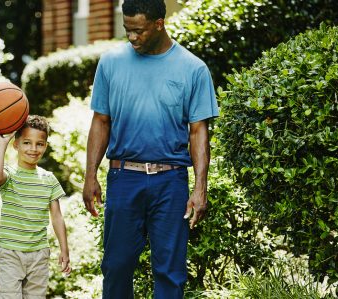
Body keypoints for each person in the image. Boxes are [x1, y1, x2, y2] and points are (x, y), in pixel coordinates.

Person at [81, 0, 220, 298]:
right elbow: (101, 122)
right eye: (127, 30)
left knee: (170, 272)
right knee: (116, 265)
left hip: (170, 182)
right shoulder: (110, 63)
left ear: (159, 24)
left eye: (139, 31)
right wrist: (89, 175)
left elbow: (199, 132)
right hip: (123, 178)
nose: (132, 37)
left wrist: (200, 188)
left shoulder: (193, 69)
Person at [0, 115, 72, 299]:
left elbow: (57, 216)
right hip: (10, 252)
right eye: (27, 143)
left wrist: (64, 249)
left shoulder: (49, 179)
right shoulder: (9, 175)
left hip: (39, 254)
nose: (33, 149)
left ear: (45, 147)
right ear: (16, 144)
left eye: (39, 144)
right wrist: (2, 143)